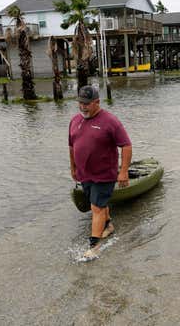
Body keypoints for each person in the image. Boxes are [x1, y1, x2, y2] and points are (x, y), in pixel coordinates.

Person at [69, 85, 132, 259]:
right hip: (85, 173)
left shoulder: (110, 121)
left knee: (96, 207)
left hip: (104, 174)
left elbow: (126, 145)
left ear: (97, 102)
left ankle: (94, 246)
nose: (83, 107)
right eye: (80, 103)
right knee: (98, 203)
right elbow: (71, 145)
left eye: (87, 104)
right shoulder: (75, 120)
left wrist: (124, 171)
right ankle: (108, 226)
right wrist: (73, 166)